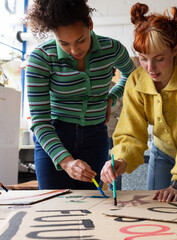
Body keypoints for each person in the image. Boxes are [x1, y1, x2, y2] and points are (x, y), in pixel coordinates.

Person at [101, 3, 177, 202]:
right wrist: (121, 159)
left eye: (159, 58)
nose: (150, 68)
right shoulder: (135, 81)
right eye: (143, 58)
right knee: (157, 209)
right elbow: (131, 133)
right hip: (163, 151)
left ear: (175, 50)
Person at [24, 0, 135, 190]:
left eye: (81, 40)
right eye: (64, 43)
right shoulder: (40, 59)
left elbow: (132, 76)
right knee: (54, 207)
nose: (75, 51)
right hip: (54, 137)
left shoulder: (112, 49)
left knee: (90, 206)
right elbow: (40, 122)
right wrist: (66, 162)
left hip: (95, 137)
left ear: (90, 25)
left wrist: (111, 97)